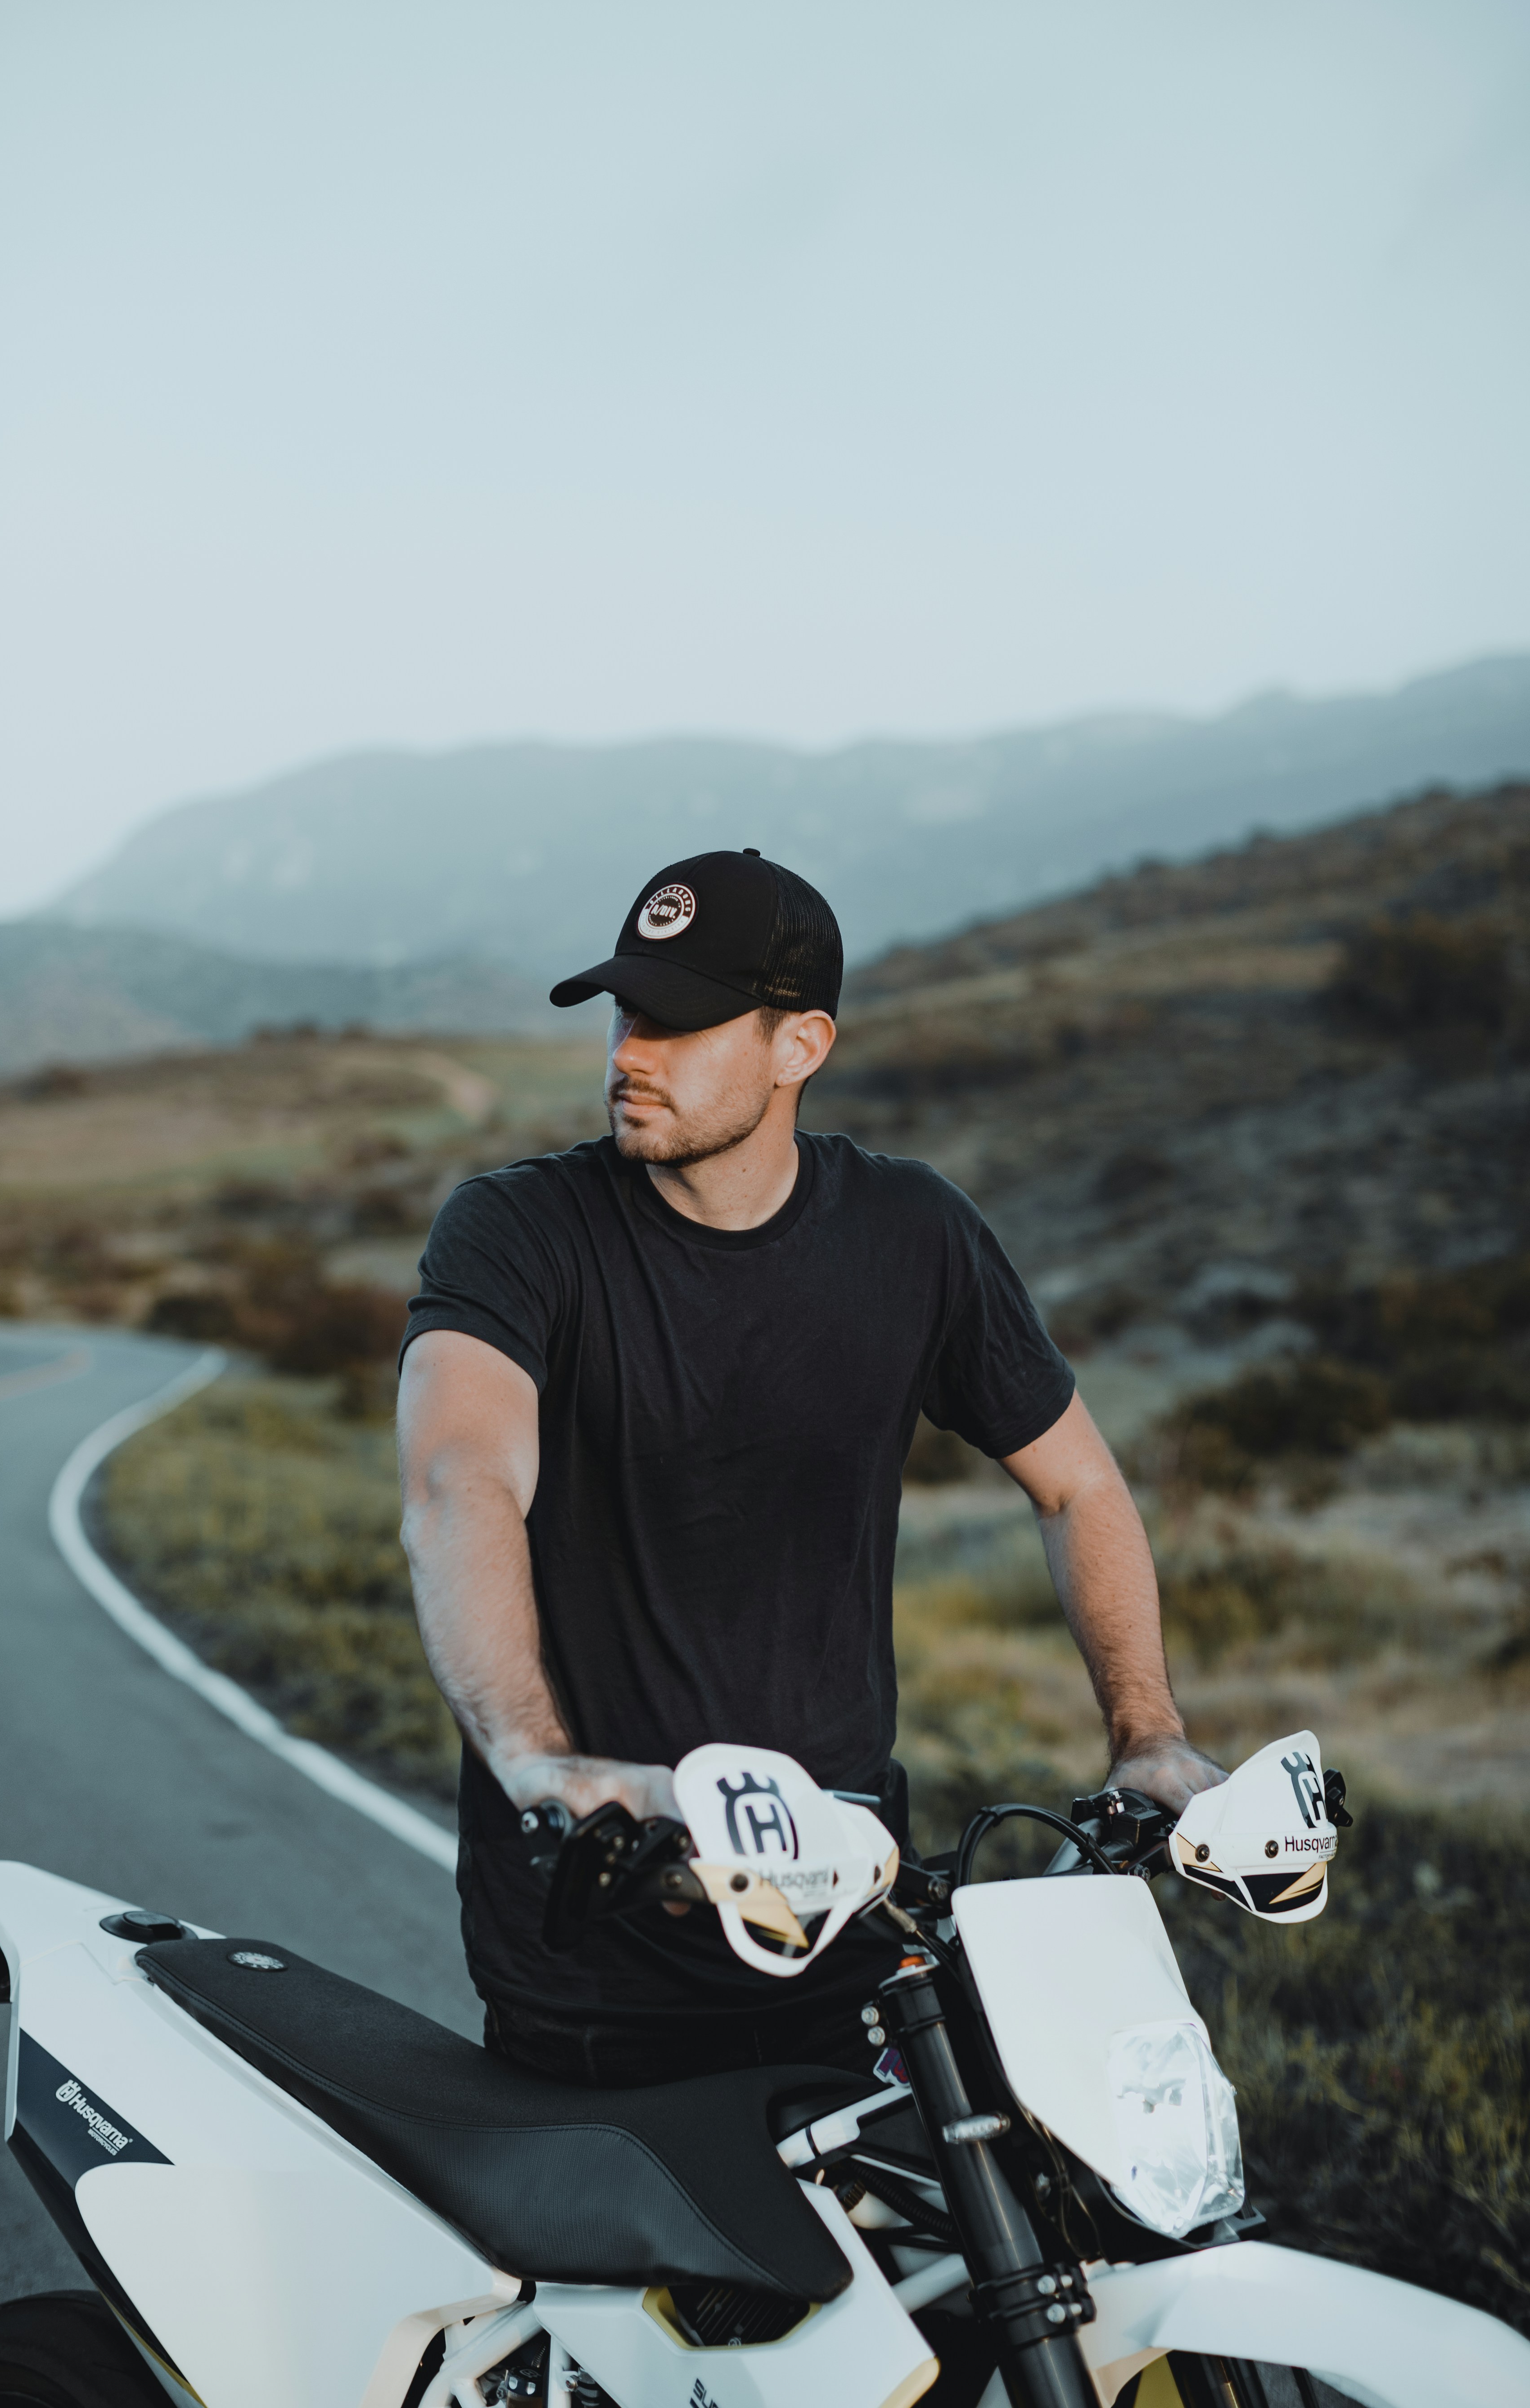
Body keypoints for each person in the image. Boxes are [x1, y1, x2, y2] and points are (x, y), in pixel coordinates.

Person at [397, 848, 1223, 2089]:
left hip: (846, 1929)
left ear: (801, 1046)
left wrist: (1146, 1734)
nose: (630, 1052)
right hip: (598, 1956)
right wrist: (537, 1763)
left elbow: (1079, 1487)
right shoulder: (519, 1230)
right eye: (626, 1012)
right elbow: (461, 1479)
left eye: (677, 1022)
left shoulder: (914, 1233)